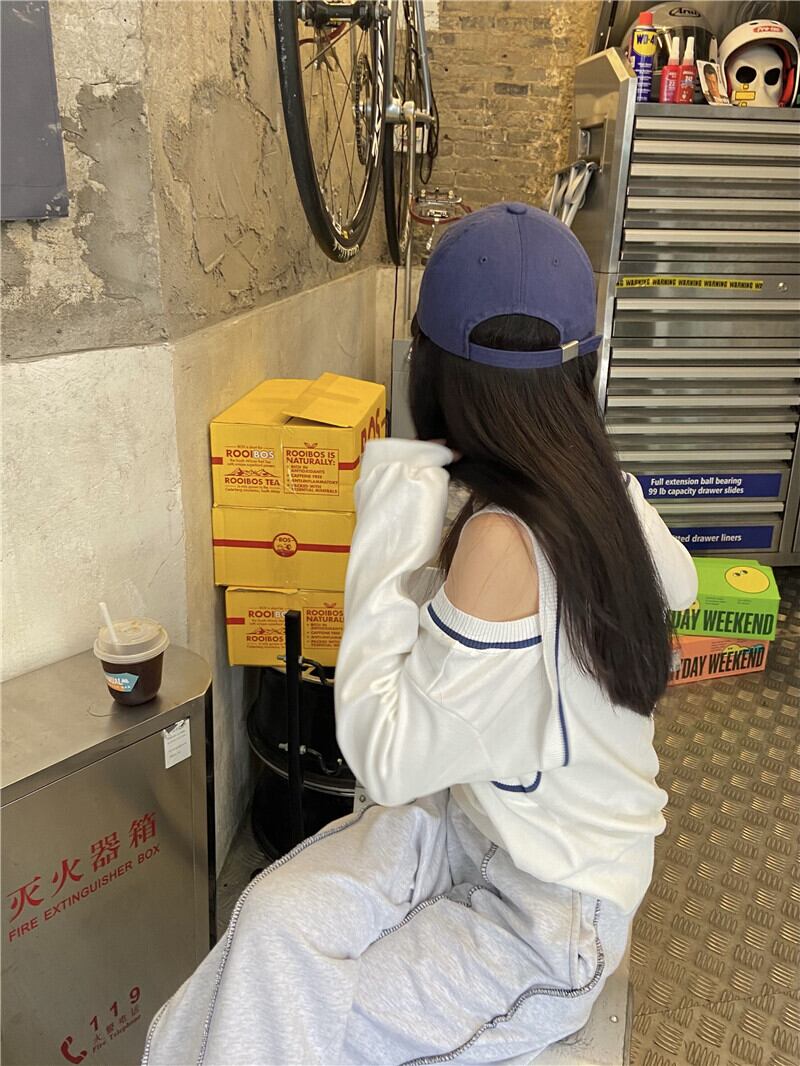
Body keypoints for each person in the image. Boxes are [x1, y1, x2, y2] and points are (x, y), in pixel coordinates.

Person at [143, 204, 698, 1066]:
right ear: (583, 368)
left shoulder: (501, 538)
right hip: (472, 829)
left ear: (430, 369)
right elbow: (683, 582)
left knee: (286, 1019)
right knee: (274, 925)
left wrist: (390, 519)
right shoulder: (605, 489)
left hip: (543, 912)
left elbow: (386, 760)